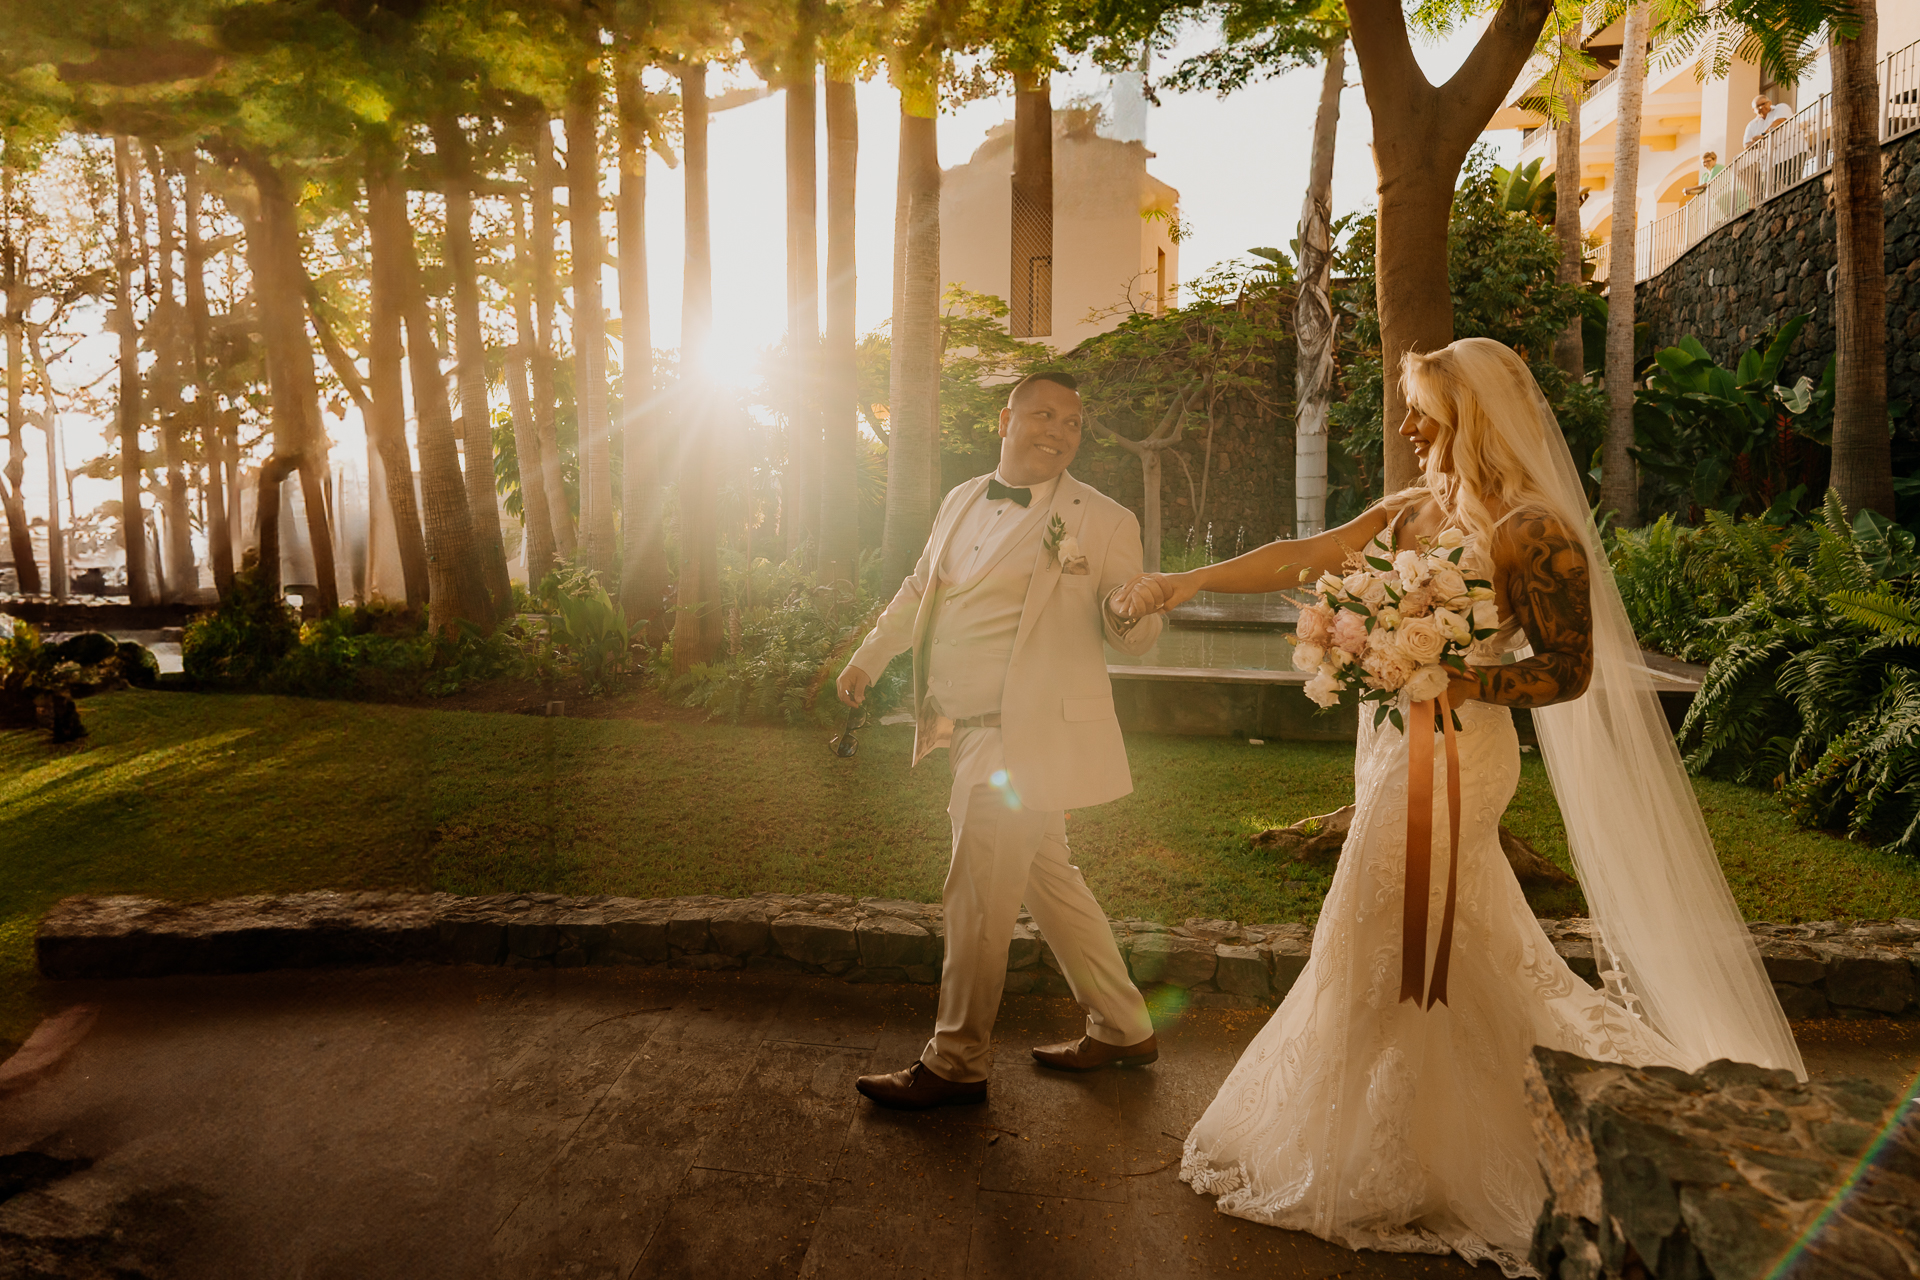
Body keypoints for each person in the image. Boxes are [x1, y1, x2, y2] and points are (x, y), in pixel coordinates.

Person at [1115, 338, 1803, 1276]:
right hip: (1396, 745)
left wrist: (1461, 682)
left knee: (1380, 925)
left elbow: (1571, 670)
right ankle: (1439, 1118)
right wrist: (1190, 581)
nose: (1404, 428)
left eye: (1422, 415)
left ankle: (1403, 1143)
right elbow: (1306, 556)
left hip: (1461, 753)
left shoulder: (1533, 530)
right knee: (1445, 933)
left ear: (1470, 420)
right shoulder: (1410, 509)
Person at [835, 371, 1165, 1110]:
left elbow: (1140, 630)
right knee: (1050, 880)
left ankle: (956, 1062)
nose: (1059, 429)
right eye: (1044, 413)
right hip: (968, 730)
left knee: (977, 895)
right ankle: (1123, 1024)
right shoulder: (960, 499)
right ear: (1005, 418)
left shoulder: (1104, 519)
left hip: (1024, 739)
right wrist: (869, 654)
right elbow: (922, 588)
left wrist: (1126, 609)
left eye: (1073, 422)